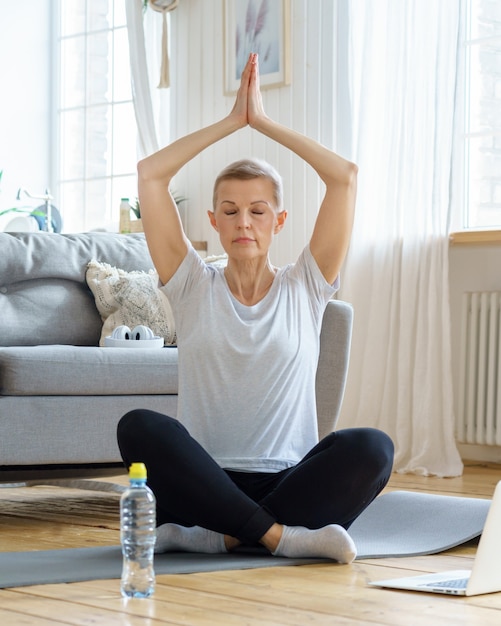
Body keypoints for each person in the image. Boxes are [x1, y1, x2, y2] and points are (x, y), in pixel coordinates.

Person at [117, 53, 394, 563]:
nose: (244, 221)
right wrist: (230, 123)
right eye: (230, 211)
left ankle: (216, 536)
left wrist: (263, 122)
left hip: (288, 478)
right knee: (137, 426)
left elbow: (345, 177)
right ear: (214, 222)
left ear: (279, 221)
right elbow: (150, 175)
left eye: (257, 211)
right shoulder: (191, 284)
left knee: (373, 447)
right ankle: (278, 538)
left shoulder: (307, 284)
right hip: (205, 479)